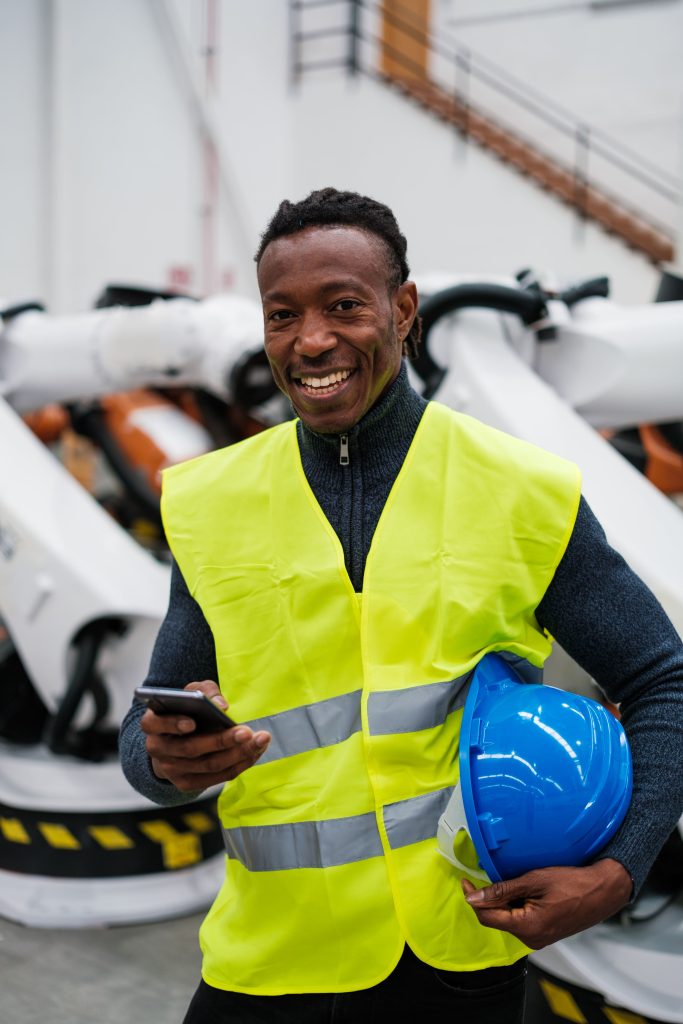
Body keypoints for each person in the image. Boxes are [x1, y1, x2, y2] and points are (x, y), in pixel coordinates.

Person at [119, 187, 683, 1023]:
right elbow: (144, 744)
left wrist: (620, 870)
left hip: (458, 963)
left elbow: (661, 677)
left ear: (403, 309)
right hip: (269, 967)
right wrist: (168, 762)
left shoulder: (520, 491)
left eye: (343, 306)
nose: (311, 341)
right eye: (282, 316)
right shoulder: (211, 502)